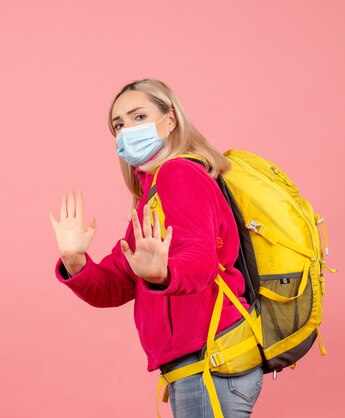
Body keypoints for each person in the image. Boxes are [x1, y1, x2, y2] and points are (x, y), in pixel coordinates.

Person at [48, 79, 263, 417]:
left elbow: (200, 260)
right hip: (197, 368)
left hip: (209, 362)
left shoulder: (178, 173)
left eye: (138, 117)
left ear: (170, 119)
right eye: (118, 125)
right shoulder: (152, 196)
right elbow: (116, 283)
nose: (126, 130)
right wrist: (75, 261)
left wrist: (163, 273)